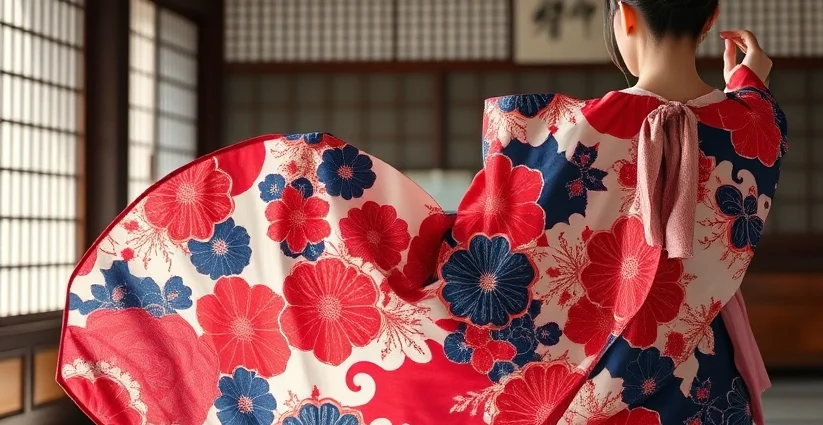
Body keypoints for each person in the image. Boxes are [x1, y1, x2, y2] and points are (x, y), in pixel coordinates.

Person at [57, 1, 786, 424]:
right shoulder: (754, 128)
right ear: (712, 16)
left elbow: (491, 262)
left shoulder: (570, 132)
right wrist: (748, 81)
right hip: (700, 388)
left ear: (622, 14)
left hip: (587, 398)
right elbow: (739, 107)